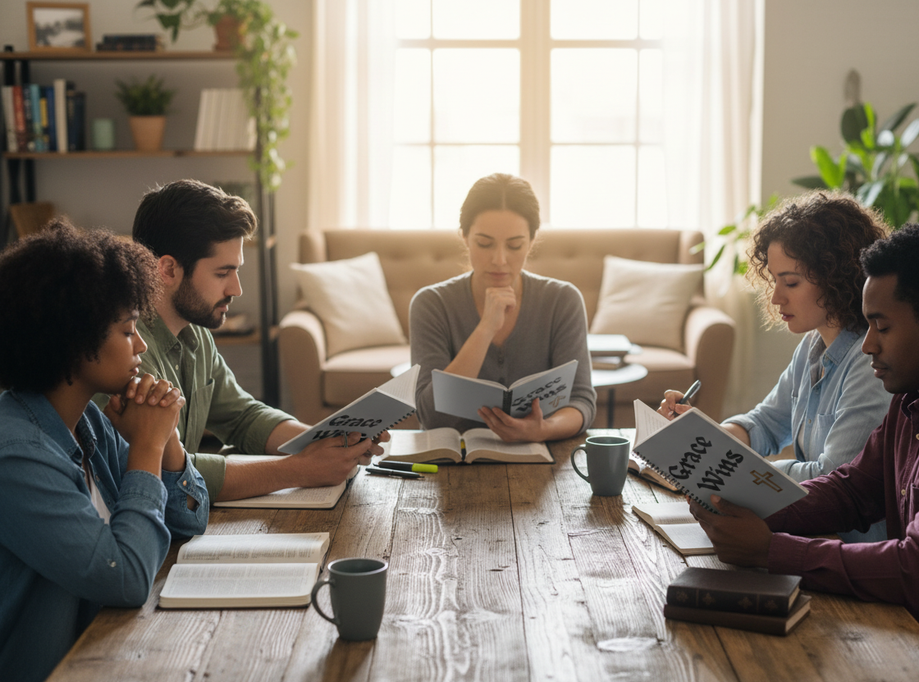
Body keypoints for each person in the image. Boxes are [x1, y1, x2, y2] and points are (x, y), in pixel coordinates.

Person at [690, 222, 919, 682]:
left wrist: (772, 552)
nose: (866, 346)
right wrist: (750, 507)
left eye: (881, 327)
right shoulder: (914, 397)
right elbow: (850, 490)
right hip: (910, 636)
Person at [0, 223, 209, 682]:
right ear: (73, 342)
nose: (139, 346)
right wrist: (148, 446)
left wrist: (164, 435)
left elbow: (190, 518)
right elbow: (128, 578)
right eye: (127, 330)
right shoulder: (15, 456)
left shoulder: (87, 422)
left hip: (106, 651)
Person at [119, 179, 383, 502]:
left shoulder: (196, 333)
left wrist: (328, 438)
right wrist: (300, 469)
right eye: (222, 273)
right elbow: (170, 474)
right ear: (169, 270)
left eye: (237, 271)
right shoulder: (126, 351)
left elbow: (242, 416)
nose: (236, 289)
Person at [659, 192, 891, 541]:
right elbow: (764, 425)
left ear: (837, 276)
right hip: (807, 532)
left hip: (844, 549)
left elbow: (832, 476)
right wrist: (703, 438)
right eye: (775, 280)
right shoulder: (812, 347)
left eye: (791, 282)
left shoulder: (868, 362)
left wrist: (742, 473)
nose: (776, 297)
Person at [409, 173, 596, 441]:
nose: (499, 260)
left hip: (542, 456)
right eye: (484, 243)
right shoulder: (431, 304)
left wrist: (542, 430)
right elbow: (431, 416)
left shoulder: (562, 300)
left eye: (515, 245)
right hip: (454, 460)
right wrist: (485, 329)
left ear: (531, 241)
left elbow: (581, 402)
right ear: (464, 237)